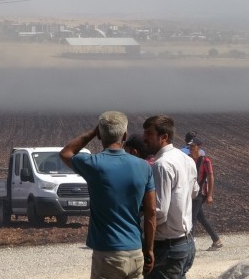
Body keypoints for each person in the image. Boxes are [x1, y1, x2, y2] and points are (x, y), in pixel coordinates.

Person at [60, 111, 156, 278]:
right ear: (124, 135)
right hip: (135, 251)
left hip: (107, 253)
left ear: (100, 135)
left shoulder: (93, 164)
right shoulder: (144, 167)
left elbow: (66, 152)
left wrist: (92, 132)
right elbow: (151, 212)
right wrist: (148, 249)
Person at [143, 115, 199, 279]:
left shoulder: (161, 165)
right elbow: (195, 192)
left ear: (164, 137)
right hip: (186, 244)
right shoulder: (186, 159)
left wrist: (139, 225)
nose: (144, 138)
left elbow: (158, 212)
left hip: (168, 248)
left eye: (149, 134)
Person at [187, 136, 223, 251]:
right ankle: (216, 240)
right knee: (200, 217)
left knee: (191, 217)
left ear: (198, 147)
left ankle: (190, 246)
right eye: (190, 146)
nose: (190, 148)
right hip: (191, 192)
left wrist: (210, 195)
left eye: (192, 146)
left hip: (200, 193)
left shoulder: (205, 160)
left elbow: (211, 176)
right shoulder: (188, 159)